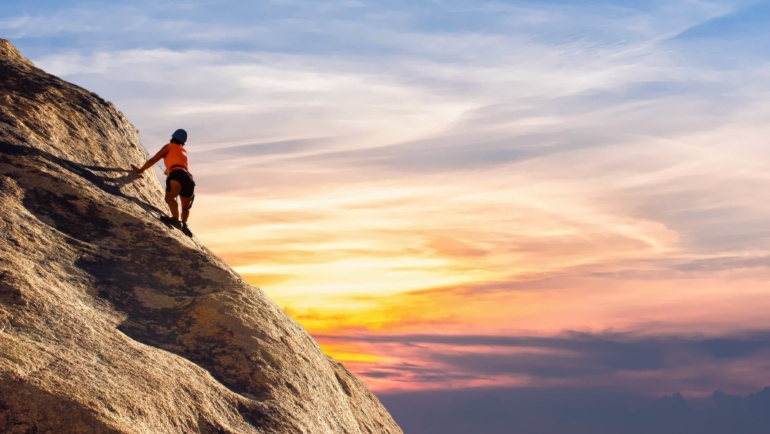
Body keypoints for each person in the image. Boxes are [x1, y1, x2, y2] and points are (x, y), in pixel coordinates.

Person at [132, 129, 195, 235]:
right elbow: (179, 163)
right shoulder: (184, 151)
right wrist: (169, 170)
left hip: (177, 174)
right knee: (185, 207)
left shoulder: (169, 146)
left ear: (173, 137)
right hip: (189, 179)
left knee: (170, 198)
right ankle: (184, 224)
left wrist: (140, 170)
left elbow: (153, 160)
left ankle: (175, 219)